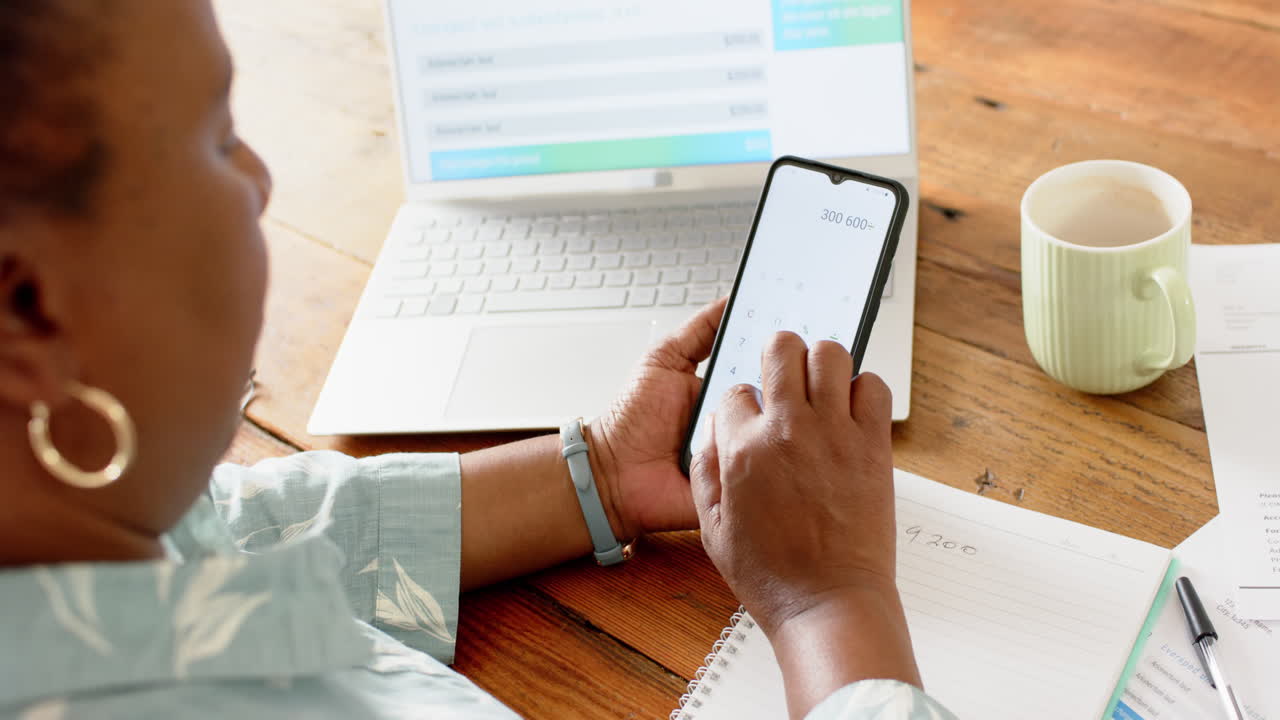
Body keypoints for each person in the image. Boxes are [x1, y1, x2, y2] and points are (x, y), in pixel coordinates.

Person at [0, 2, 957, 719]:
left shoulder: (77, 532)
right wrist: (832, 602)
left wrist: (599, 479)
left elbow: (239, 533)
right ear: (27, 308)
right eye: (215, 138)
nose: (261, 180)